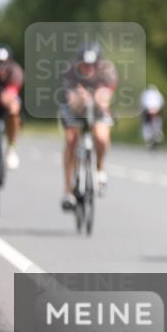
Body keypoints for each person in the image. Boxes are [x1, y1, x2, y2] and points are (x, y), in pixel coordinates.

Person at [59, 42, 117, 211]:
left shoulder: (107, 70)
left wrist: (100, 98)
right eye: (85, 64)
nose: (88, 68)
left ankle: (99, 168)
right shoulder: (70, 70)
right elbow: (70, 100)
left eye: (92, 65)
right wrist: (79, 99)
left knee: (101, 137)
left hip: (98, 109)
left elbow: (107, 95)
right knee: (71, 140)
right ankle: (68, 190)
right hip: (75, 109)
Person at [0, 44, 24, 170]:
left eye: (4, 65)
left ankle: (11, 147)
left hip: (7, 102)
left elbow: (12, 93)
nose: (1, 69)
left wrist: (5, 96)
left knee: (14, 107)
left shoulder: (16, 71)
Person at [140, 84, 165, 148]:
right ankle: (155, 136)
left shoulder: (146, 94)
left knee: (148, 125)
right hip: (154, 110)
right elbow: (162, 103)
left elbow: (142, 103)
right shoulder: (158, 94)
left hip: (150, 111)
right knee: (152, 124)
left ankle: (154, 136)